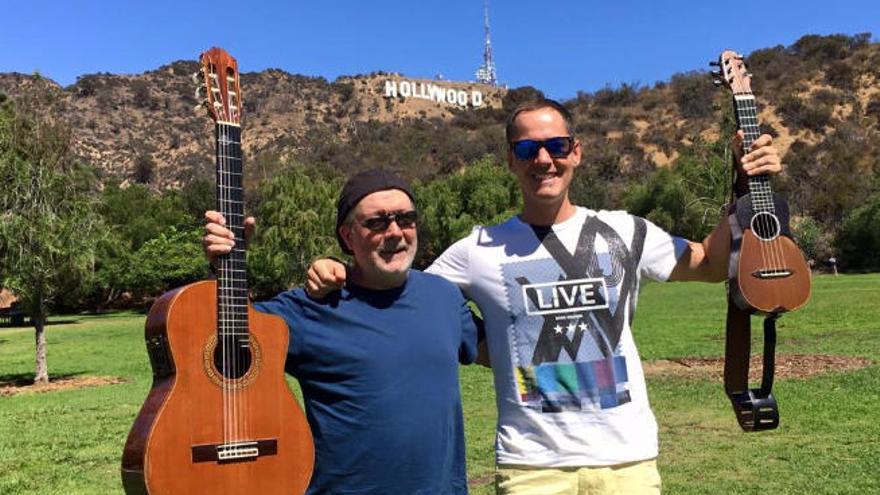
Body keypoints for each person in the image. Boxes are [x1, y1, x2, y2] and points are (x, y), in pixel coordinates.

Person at [307, 99, 782, 494]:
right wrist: (342, 272)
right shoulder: (477, 250)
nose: (543, 160)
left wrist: (744, 185)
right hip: (531, 466)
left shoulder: (625, 230)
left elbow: (712, 264)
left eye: (556, 146)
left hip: (628, 459)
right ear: (510, 160)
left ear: (576, 152)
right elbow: (406, 292)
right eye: (528, 148)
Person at [203, 169, 478, 494]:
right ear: (348, 237)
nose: (395, 232)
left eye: (406, 218)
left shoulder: (444, 296)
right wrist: (228, 264)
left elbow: (504, 345)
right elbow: (221, 339)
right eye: (377, 222)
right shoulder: (310, 307)